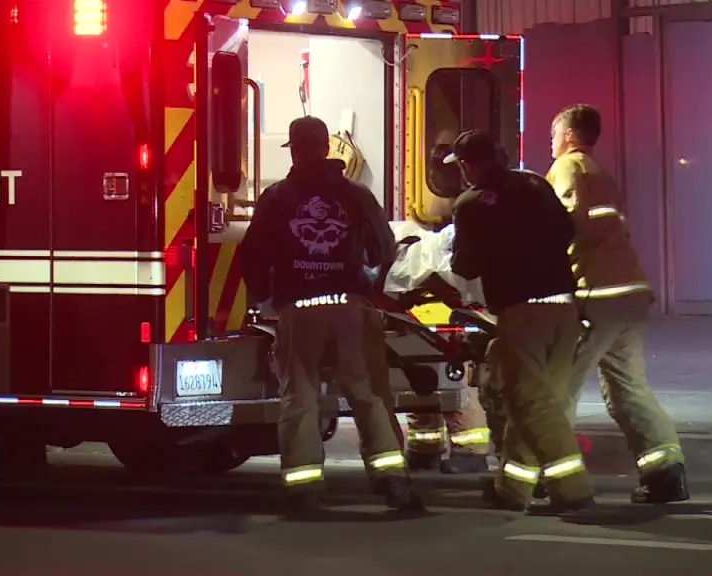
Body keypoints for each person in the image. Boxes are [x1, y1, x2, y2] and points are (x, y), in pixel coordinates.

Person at [239, 115, 423, 513]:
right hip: (349, 307)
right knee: (366, 394)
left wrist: (265, 298)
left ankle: (305, 489)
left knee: (300, 397)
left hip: (299, 309)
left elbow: (252, 255)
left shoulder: (277, 197)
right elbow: (384, 248)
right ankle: (394, 481)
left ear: (295, 150)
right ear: (326, 148)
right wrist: (369, 283)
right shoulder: (356, 194)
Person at [443, 130, 593, 513]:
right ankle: (513, 488)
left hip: (523, 313)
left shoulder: (471, 203)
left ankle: (572, 489)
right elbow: (568, 230)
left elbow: (465, 265)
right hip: (564, 307)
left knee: (531, 402)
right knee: (540, 400)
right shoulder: (535, 184)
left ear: (468, 165)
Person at [546, 104, 689, 504]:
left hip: (598, 294)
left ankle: (557, 480)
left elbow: (568, 226)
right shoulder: (602, 174)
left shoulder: (568, 167)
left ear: (569, 135)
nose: (551, 143)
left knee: (558, 386)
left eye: (553, 135)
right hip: (630, 292)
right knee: (629, 388)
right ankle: (666, 475)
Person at [403, 142, 491, 475]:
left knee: (454, 371)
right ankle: (425, 445)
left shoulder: (469, 203)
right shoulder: (464, 201)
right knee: (422, 364)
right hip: (438, 292)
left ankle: (470, 450)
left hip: (451, 295)